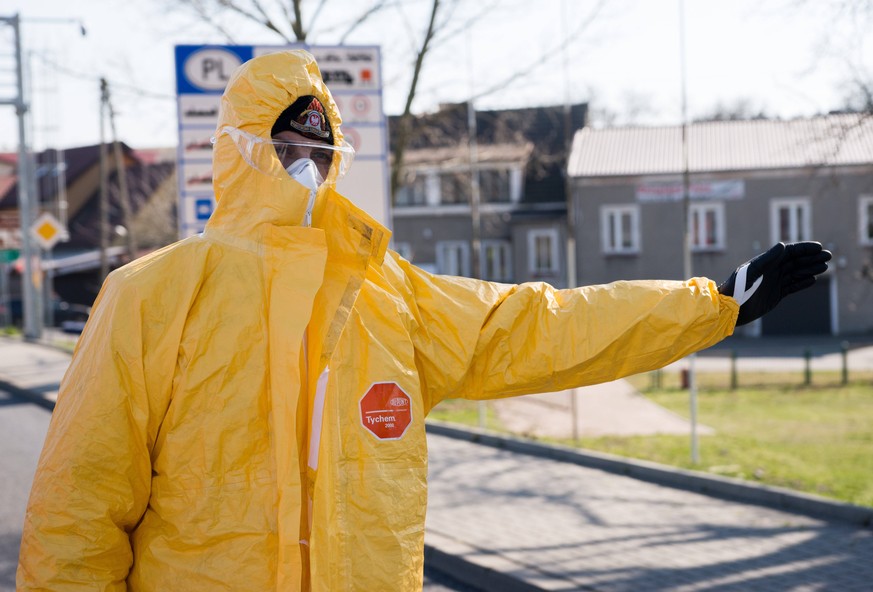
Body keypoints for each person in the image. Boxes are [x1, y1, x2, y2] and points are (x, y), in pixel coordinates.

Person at [17, 49, 831, 591]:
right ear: (239, 147)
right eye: (290, 141)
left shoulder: (386, 295)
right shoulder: (151, 296)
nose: (310, 160)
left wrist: (713, 303)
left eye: (322, 144)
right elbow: (78, 509)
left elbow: (534, 325)